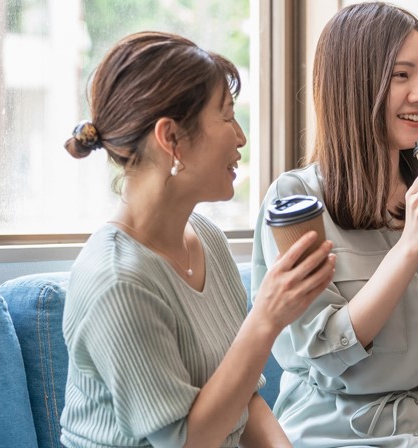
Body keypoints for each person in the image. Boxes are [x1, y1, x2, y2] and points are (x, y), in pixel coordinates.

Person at [250, 3, 418, 448]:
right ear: (354, 87)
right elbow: (326, 348)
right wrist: (411, 245)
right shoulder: (295, 201)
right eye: (401, 76)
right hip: (335, 434)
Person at [61, 31, 336, 447]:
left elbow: (241, 397)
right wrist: (266, 319)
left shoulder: (205, 237)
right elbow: (184, 442)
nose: (241, 137)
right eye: (226, 117)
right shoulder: (117, 282)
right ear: (170, 138)